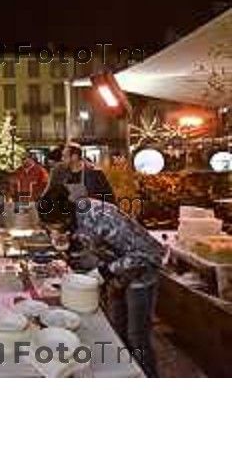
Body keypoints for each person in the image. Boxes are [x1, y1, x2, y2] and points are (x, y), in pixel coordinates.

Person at [38, 183, 165, 377]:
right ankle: (126, 374)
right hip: (116, 275)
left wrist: (105, 272)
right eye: (49, 228)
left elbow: (150, 253)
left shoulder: (101, 216)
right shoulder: (70, 220)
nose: (53, 230)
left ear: (67, 214)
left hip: (141, 274)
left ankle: (148, 376)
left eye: (54, 226)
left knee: (137, 336)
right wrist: (68, 244)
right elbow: (92, 244)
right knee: (117, 332)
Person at [46, 142, 113, 202]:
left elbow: (108, 197)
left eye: (65, 156)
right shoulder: (60, 173)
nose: (62, 159)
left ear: (74, 157)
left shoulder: (95, 174)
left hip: (90, 213)